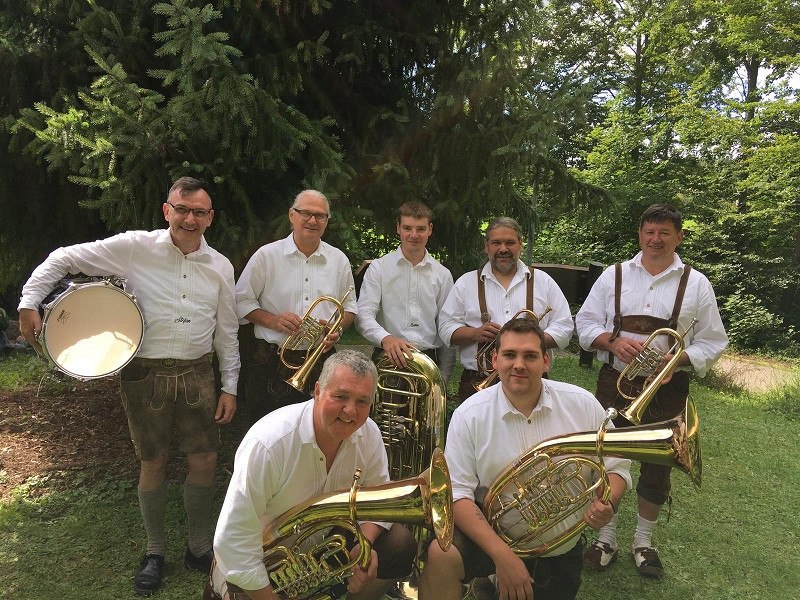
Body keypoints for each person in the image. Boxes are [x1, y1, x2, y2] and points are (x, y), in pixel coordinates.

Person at [17, 177, 240, 595]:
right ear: (166, 211)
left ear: (210, 218)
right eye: (182, 209)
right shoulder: (135, 247)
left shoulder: (221, 266)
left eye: (199, 212)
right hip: (144, 373)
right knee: (152, 462)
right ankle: (155, 552)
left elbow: (227, 331)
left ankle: (197, 548)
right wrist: (30, 301)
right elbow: (63, 258)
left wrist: (229, 385)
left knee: (205, 460)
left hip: (197, 373)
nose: (190, 219)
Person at [418, 317, 631, 600]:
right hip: (492, 536)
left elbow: (616, 465)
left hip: (558, 546)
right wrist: (502, 557)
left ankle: (494, 584)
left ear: (546, 361)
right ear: (495, 360)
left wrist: (608, 501)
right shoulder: (470, 415)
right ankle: (490, 576)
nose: (519, 364)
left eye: (530, 355)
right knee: (441, 552)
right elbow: (457, 494)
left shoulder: (583, 405)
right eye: (509, 355)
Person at [575, 203, 728, 578]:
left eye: (664, 232)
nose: (655, 239)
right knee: (605, 458)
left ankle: (643, 543)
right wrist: (611, 343)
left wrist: (677, 360)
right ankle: (605, 537)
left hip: (667, 389)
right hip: (616, 383)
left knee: (658, 466)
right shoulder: (613, 275)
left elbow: (713, 341)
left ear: (678, 236)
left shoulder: (697, 283)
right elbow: (585, 322)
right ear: (640, 234)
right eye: (649, 231)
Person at [209, 350, 416, 600]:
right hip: (261, 559)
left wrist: (363, 546)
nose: (350, 411)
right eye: (340, 396)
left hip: (321, 547)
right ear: (317, 391)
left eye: (362, 401)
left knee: (398, 543)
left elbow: (376, 501)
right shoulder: (269, 444)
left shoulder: (369, 434)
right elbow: (233, 541)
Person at [235, 190, 358, 425]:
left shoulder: (338, 259)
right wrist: (273, 321)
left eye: (320, 216)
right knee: (269, 432)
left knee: (320, 431)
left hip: (321, 361)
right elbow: (241, 301)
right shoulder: (267, 256)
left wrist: (336, 328)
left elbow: (349, 307)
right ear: (292, 215)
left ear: (326, 221)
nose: (312, 220)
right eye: (306, 213)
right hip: (272, 363)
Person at [438, 216, 574, 403]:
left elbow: (565, 327)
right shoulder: (466, 283)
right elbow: (445, 327)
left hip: (532, 381)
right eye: (496, 243)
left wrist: (531, 341)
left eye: (510, 242)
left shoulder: (544, 282)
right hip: (477, 382)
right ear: (487, 246)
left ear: (520, 244)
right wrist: (475, 334)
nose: (503, 249)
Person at [356, 201, 455, 381]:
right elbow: (363, 315)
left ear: (430, 229)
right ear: (398, 228)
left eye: (420, 229)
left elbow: (447, 325)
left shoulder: (443, 275)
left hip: (427, 363)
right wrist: (386, 338)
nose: (414, 235)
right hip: (386, 358)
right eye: (407, 228)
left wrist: (444, 376)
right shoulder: (379, 268)